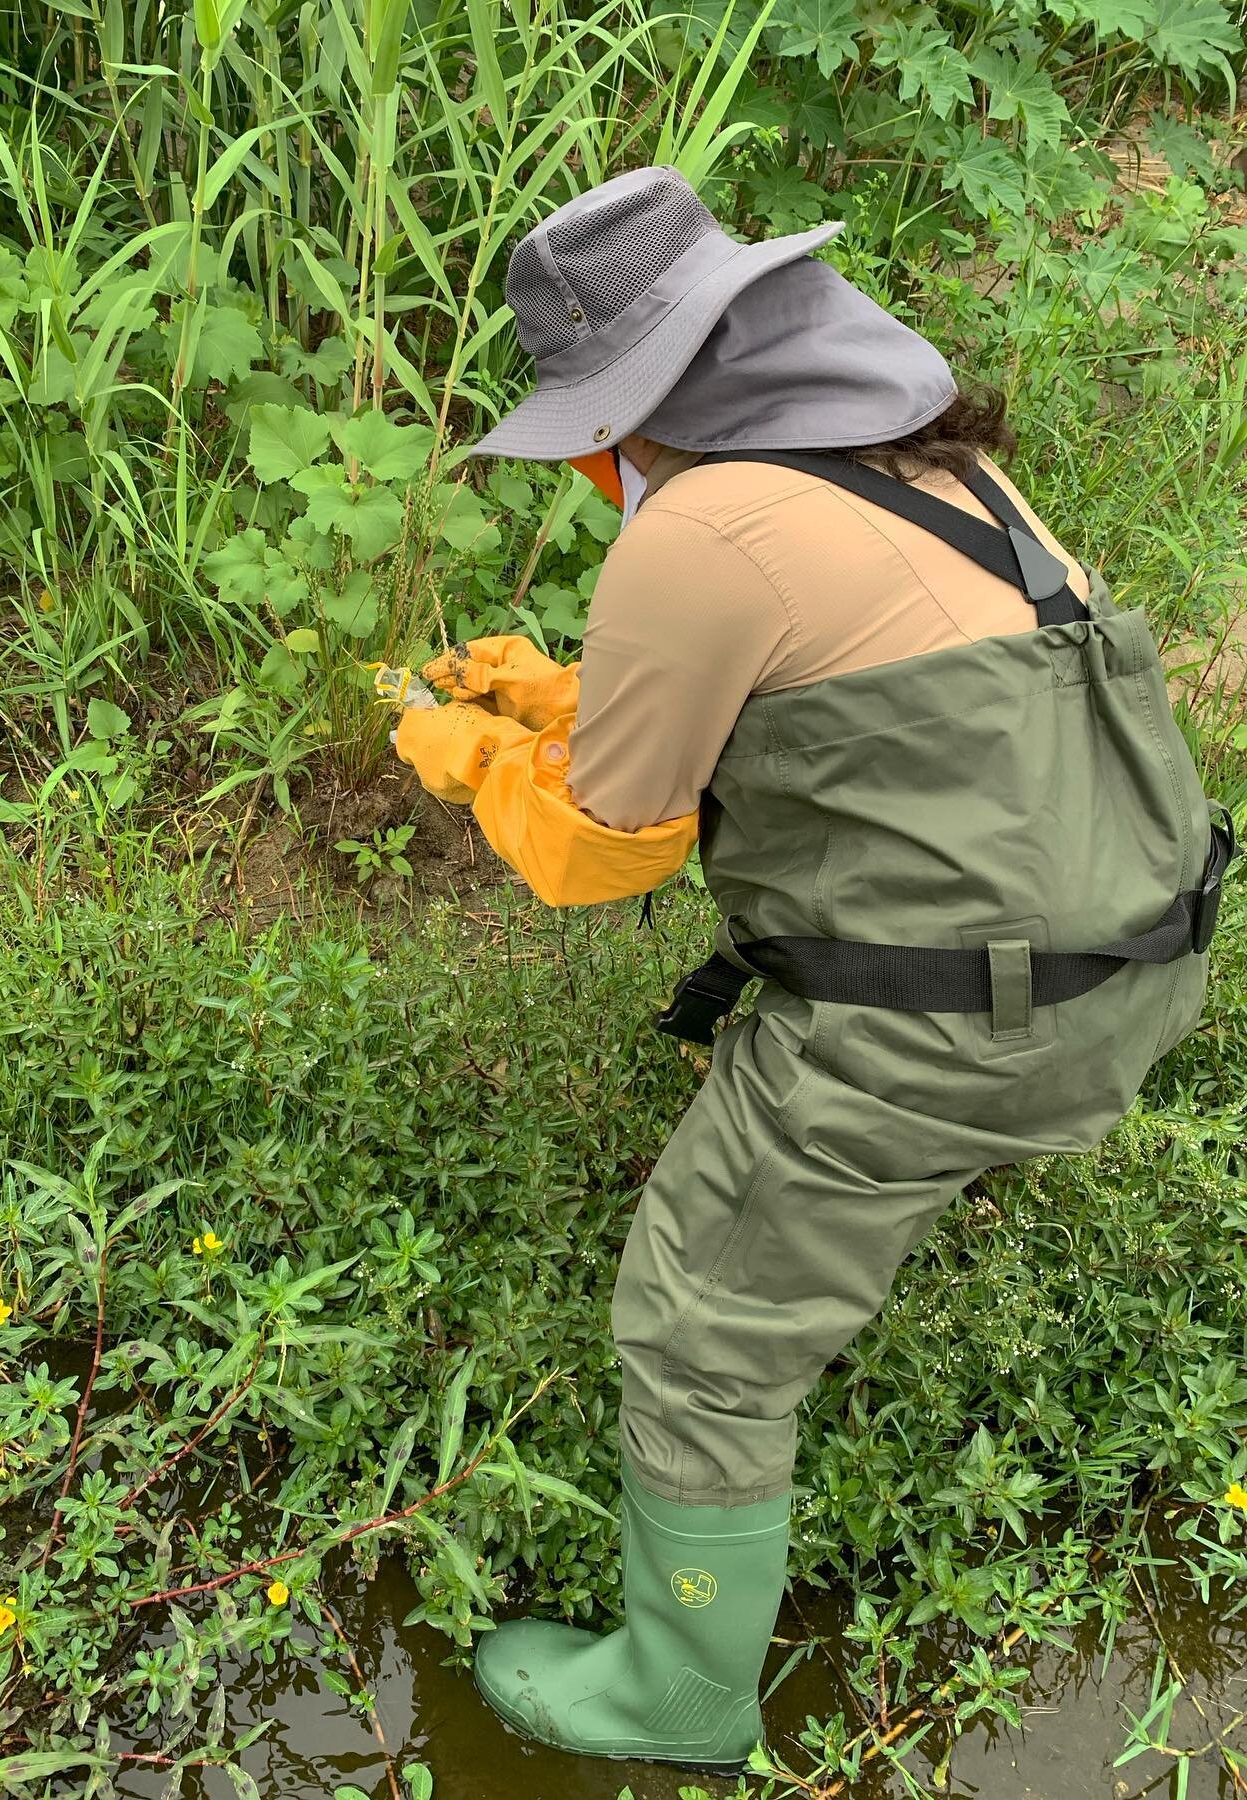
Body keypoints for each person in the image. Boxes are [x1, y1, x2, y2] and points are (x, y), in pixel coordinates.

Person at [393, 166, 1233, 1771]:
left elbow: (605, 851)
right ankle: (932, 1177)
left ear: (646, 401)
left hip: (955, 1032)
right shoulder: (935, 470)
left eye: (587, 430)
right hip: (1131, 962)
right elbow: (820, 703)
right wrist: (555, 694)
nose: (584, 466)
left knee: (698, 1323)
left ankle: (679, 1695)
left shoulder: (702, 524)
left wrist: (459, 751)